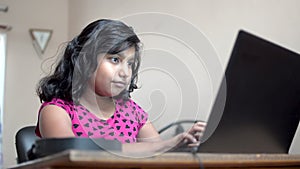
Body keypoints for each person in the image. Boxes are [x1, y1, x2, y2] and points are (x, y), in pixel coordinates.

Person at [35, 19, 206, 154]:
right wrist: (169, 143)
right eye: (115, 60)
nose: (125, 72)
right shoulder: (57, 111)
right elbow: (75, 156)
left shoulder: (132, 112)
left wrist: (186, 142)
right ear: (85, 61)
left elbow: (158, 152)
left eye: (130, 64)